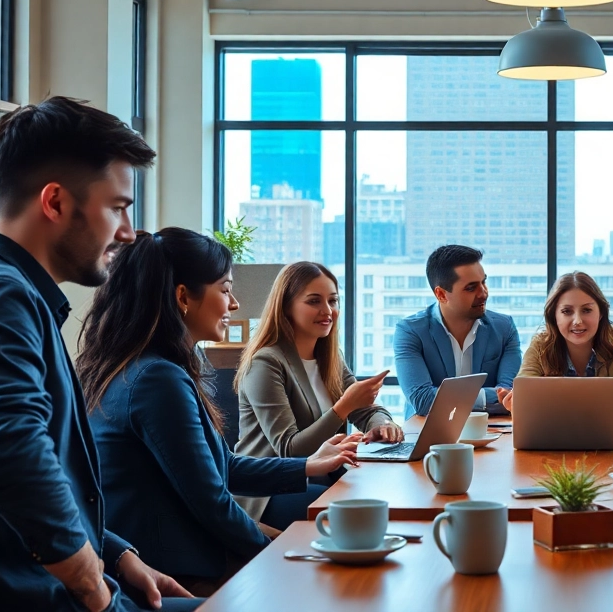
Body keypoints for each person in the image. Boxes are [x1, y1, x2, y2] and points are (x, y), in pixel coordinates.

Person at [0, 97, 198, 612]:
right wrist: (93, 586)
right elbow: (8, 455)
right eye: (118, 207)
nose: (128, 231)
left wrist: (116, 554)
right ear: (54, 202)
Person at [76, 229, 361, 596]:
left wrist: (307, 466)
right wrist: (277, 557)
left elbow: (221, 466)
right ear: (183, 297)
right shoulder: (157, 379)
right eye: (226, 290)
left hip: (183, 548)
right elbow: (211, 501)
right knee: (326, 578)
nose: (235, 304)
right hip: (173, 568)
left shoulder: (150, 367)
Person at [235, 261, 403, 529]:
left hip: (323, 477)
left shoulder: (330, 356)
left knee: (386, 494)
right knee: (357, 510)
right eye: (314, 301)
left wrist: (383, 424)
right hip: (270, 492)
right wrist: (343, 407)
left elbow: (365, 409)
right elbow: (289, 449)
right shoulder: (265, 363)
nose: (327, 311)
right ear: (286, 306)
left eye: (333, 301)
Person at [495, 271, 613, 422]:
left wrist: (579, 415)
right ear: (554, 315)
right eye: (567, 311)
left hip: (606, 438)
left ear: (601, 313)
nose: (577, 321)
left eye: (587, 310)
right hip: (554, 438)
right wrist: (517, 403)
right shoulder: (540, 345)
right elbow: (524, 397)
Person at [394, 245, 522, 418]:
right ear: (441, 294)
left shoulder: (504, 327)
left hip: (491, 429)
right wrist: (489, 397)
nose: (483, 293)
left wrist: (447, 398)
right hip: (428, 430)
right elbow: (423, 400)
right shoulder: (411, 331)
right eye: (471, 288)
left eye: (483, 282)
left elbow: (512, 397)